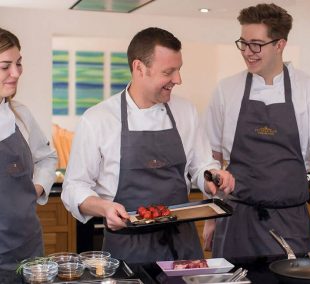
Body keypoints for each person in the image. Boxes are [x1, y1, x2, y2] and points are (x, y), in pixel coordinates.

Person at [61, 27, 235, 263]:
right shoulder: (98, 119)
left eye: (179, 70)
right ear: (139, 68)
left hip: (182, 247)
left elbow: (201, 164)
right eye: (169, 72)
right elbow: (74, 187)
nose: (178, 80)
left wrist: (212, 176)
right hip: (127, 248)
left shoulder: (186, 111)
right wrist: (103, 208)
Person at [203, 3, 310, 258]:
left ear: (280, 44)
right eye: (243, 43)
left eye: (256, 44)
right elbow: (213, 158)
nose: (248, 52)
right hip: (236, 220)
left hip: (289, 222)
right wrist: (211, 214)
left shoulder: (309, 90)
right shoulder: (226, 90)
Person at [0, 28, 57, 270]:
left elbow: (47, 158)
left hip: (28, 246)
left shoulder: (20, 114)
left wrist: (35, 188)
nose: (16, 73)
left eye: (19, 63)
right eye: (5, 66)